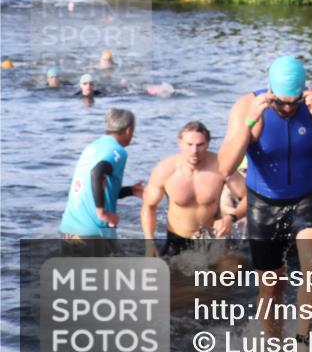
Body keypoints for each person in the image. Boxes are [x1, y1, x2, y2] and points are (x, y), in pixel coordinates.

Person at [218, 55, 312, 352]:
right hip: (263, 204)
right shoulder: (246, 106)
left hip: (308, 198)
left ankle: (301, 345)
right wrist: (249, 125)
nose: (287, 109)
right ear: (270, 91)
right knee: (272, 287)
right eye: (281, 103)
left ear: (304, 91)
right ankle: (272, 344)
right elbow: (225, 167)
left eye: (293, 103)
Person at [142, 121, 247, 258]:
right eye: (189, 145)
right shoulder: (165, 170)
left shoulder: (222, 166)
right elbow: (149, 206)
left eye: (200, 145)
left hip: (212, 238)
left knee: (231, 273)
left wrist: (231, 218)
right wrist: (149, 243)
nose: (194, 151)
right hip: (177, 239)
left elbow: (250, 197)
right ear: (180, 143)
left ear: (208, 144)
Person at [59, 109, 144, 249]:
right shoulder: (118, 151)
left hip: (68, 230)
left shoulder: (92, 147)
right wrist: (102, 212)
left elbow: (92, 186)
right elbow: (97, 172)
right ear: (129, 130)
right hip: (93, 232)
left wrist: (131, 190)